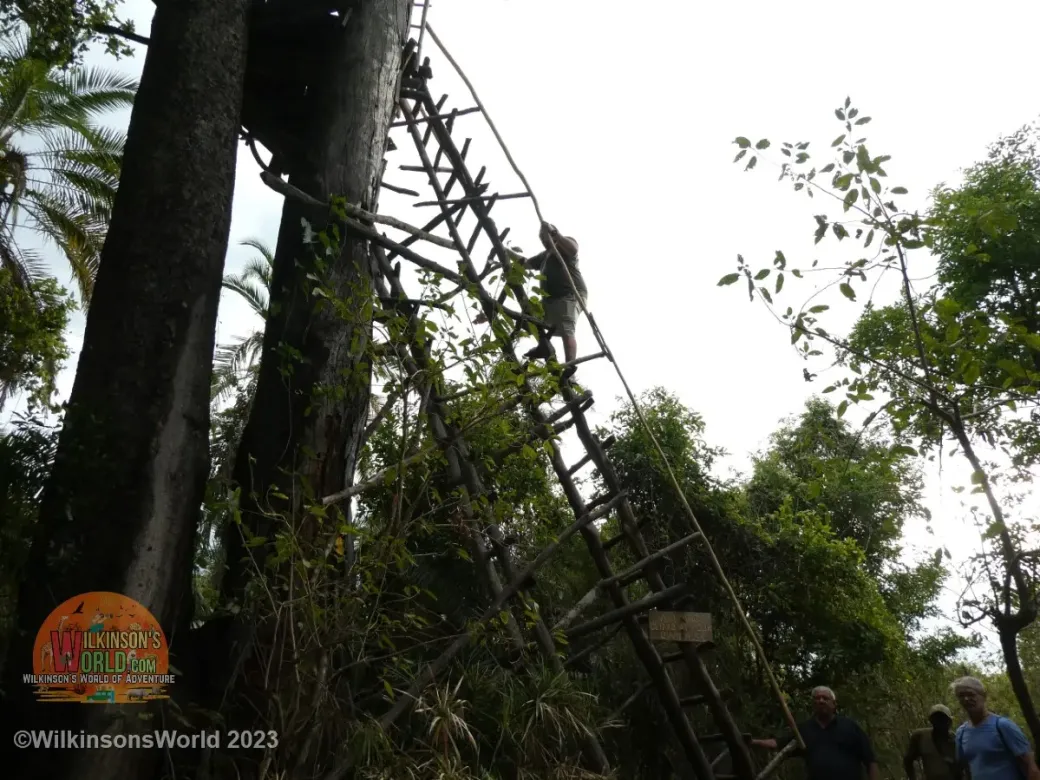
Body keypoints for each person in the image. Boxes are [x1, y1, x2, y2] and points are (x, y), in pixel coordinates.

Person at [476, 222, 587, 365]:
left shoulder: (565, 244)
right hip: (550, 300)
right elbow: (525, 263)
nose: (543, 240)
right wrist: (502, 249)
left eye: (545, 236)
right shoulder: (544, 256)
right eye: (541, 238)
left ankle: (570, 365)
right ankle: (543, 346)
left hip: (570, 294)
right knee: (529, 318)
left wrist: (556, 234)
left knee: (567, 328)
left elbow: (573, 250)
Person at [750, 685, 880, 780]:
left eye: (825, 698)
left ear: (834, 704)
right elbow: (777, 743)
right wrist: (752, 741)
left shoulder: (850, 727)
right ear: (813, 704)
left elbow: (870, 760)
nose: (821, 701)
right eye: (817, 699)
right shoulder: (804, 730)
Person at [951, 676, 1040, 780]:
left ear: (983, 696)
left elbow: (1030, 767)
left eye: (971, 694)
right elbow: (966, 769)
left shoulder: (1003, 726)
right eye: (961, 696)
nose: (966, 699)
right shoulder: (961, 733)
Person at [905, 704, 961, 780]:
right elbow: (908, 760)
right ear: (931, 721)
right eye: (936, 719)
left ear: (949, 721)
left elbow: (961, 768)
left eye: (943, 718)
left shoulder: (955, 739)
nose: (939, 722)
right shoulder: (920, 736)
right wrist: (913, 777)